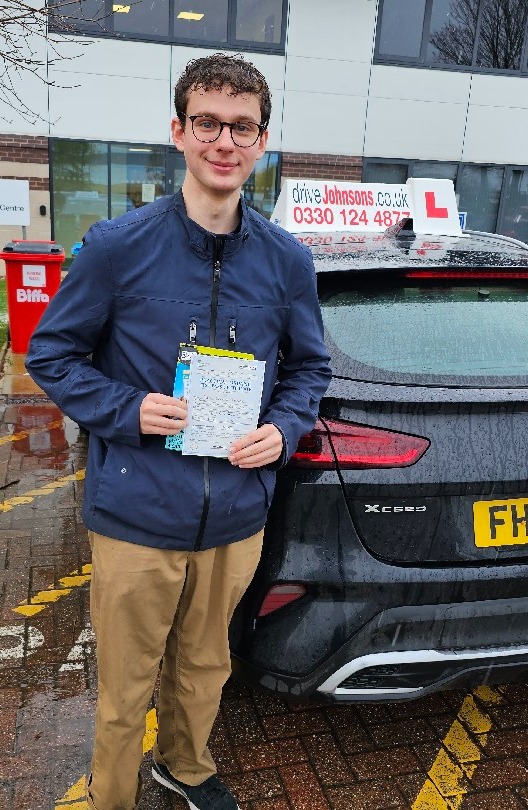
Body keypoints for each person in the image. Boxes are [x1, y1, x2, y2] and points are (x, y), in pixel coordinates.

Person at [26, 53, 331, 810]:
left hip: (234, 513)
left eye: (241, 127)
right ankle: (114, 798)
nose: (223, 141)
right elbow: (51, 355)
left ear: (262, 140)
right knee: (127, 683)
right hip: (137, 512)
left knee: (205, 666)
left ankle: (185, 770)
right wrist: (127, 409)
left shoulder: (287, 259)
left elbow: (309, 369)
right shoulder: (117, 246)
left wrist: (285, 429)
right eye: (208, 123)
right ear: (179, 131)